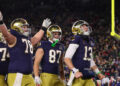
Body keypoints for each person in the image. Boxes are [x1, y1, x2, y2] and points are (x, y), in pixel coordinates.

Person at [0, 11, 51, 86]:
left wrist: (43, 28)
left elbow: (35, 39)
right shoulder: (14, 39)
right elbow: (6, 35)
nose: (27, 28)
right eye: (24, 27)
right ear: (17, 28)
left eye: (27, 27)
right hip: (18, 74)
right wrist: (1, 22)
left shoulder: (27, 40)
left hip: (29, 75)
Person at [64, 20, 105, 86]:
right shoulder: (76, 39)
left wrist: (98, 73)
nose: (86, 27)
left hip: (87, 75)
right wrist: (75, 71)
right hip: (77, 75)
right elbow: (67, 58)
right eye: (83, 26)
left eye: (86, 26)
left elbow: (90, 61)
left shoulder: (89, 40)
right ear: (77, 29)